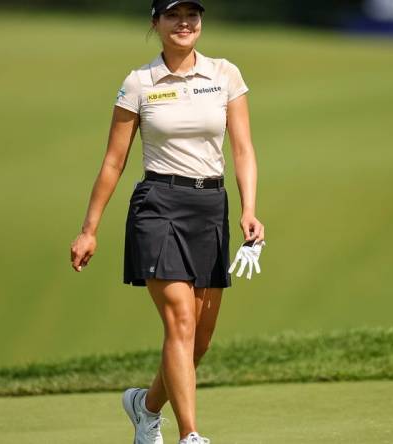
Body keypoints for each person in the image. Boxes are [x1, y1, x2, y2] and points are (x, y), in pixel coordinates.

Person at [69, 1, 264, 442]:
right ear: (155, 23)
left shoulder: (225, 74)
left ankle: (145, 406)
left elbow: (243, 149)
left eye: (192, 15)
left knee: (200, 338)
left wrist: (249, 209)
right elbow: (113, 162)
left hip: (211, 205)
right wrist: (89, 229)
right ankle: (190, 435)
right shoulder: (138, 83)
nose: (184, 24)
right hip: (158, 206)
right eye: (173, 16)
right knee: (180, 320)